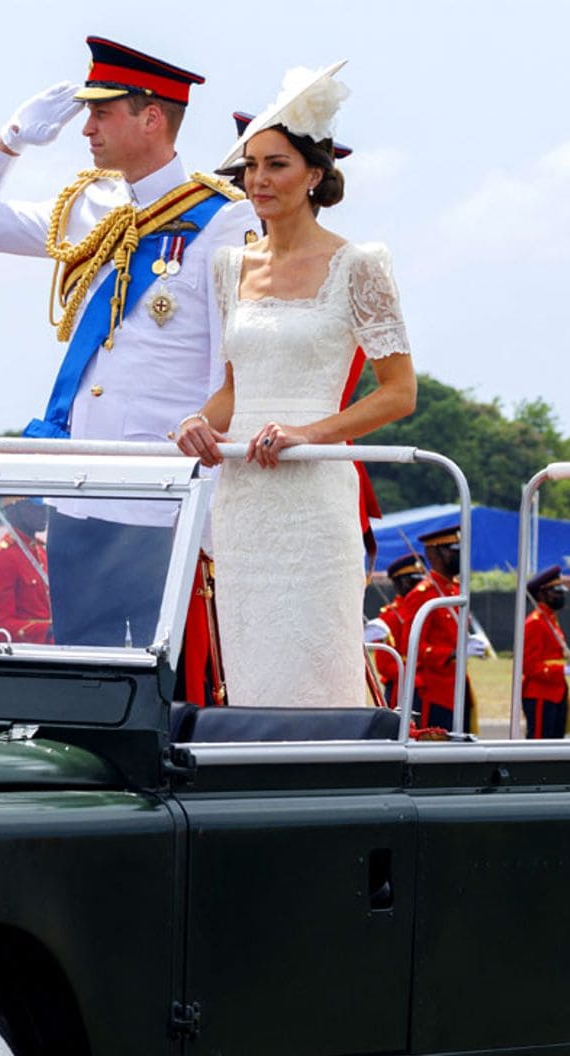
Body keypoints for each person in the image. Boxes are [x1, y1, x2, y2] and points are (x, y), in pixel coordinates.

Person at [0, 35, 259, 646]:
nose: (87, 128)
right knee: (82, 660)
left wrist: (209, 494)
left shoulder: (224, 219)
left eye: (102, 112)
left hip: (158, 488)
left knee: (159, 671)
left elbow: (231, 369)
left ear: (151, 118)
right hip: (79, 479)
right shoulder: (91, 205)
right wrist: (10, 140)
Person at [176, 62, 417, 707]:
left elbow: (399, 392)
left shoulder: (359, 264)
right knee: (251, 670)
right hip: (243, 497)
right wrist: (199, 422)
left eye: (276, 164)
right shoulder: (230, 267)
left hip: (312, 494)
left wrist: (309, 435)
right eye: (250, 166)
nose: (258, 180)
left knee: (318, 664)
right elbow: (233, 388)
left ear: (315, 174)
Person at [396, 525, 484, 731]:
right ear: (433, 553)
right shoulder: (422, 594)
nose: (459, 554)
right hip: (434, 693)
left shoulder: (455, 591)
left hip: (458, 687)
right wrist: (453, 653)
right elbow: (412, 646)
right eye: (453, 548)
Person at [0, 497, 52, 643]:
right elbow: (1, 629)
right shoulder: (0, 559)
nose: (43, 511)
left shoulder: (42, 551)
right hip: (26, 656)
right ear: (12, 510)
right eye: (33, 506)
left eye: (44, 506)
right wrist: (48, 630)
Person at [365, 553, 427, 707]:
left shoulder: (425, 610)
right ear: (399, 583)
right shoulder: (390, 616)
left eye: (420, 581)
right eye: (412, 581)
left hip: (427, 686)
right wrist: (413, 675)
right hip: (402, 687)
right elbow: (384, 664)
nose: (418, 586)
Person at [521, 565, 569, 739]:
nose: (560, 595)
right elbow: (529, 666)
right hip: (540, 693)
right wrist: (562, 670)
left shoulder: (550, 619)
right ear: (541, 594)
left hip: (557, 692)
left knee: (555, 744)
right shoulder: (535, 623)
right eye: (555, 591)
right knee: (539, 742)